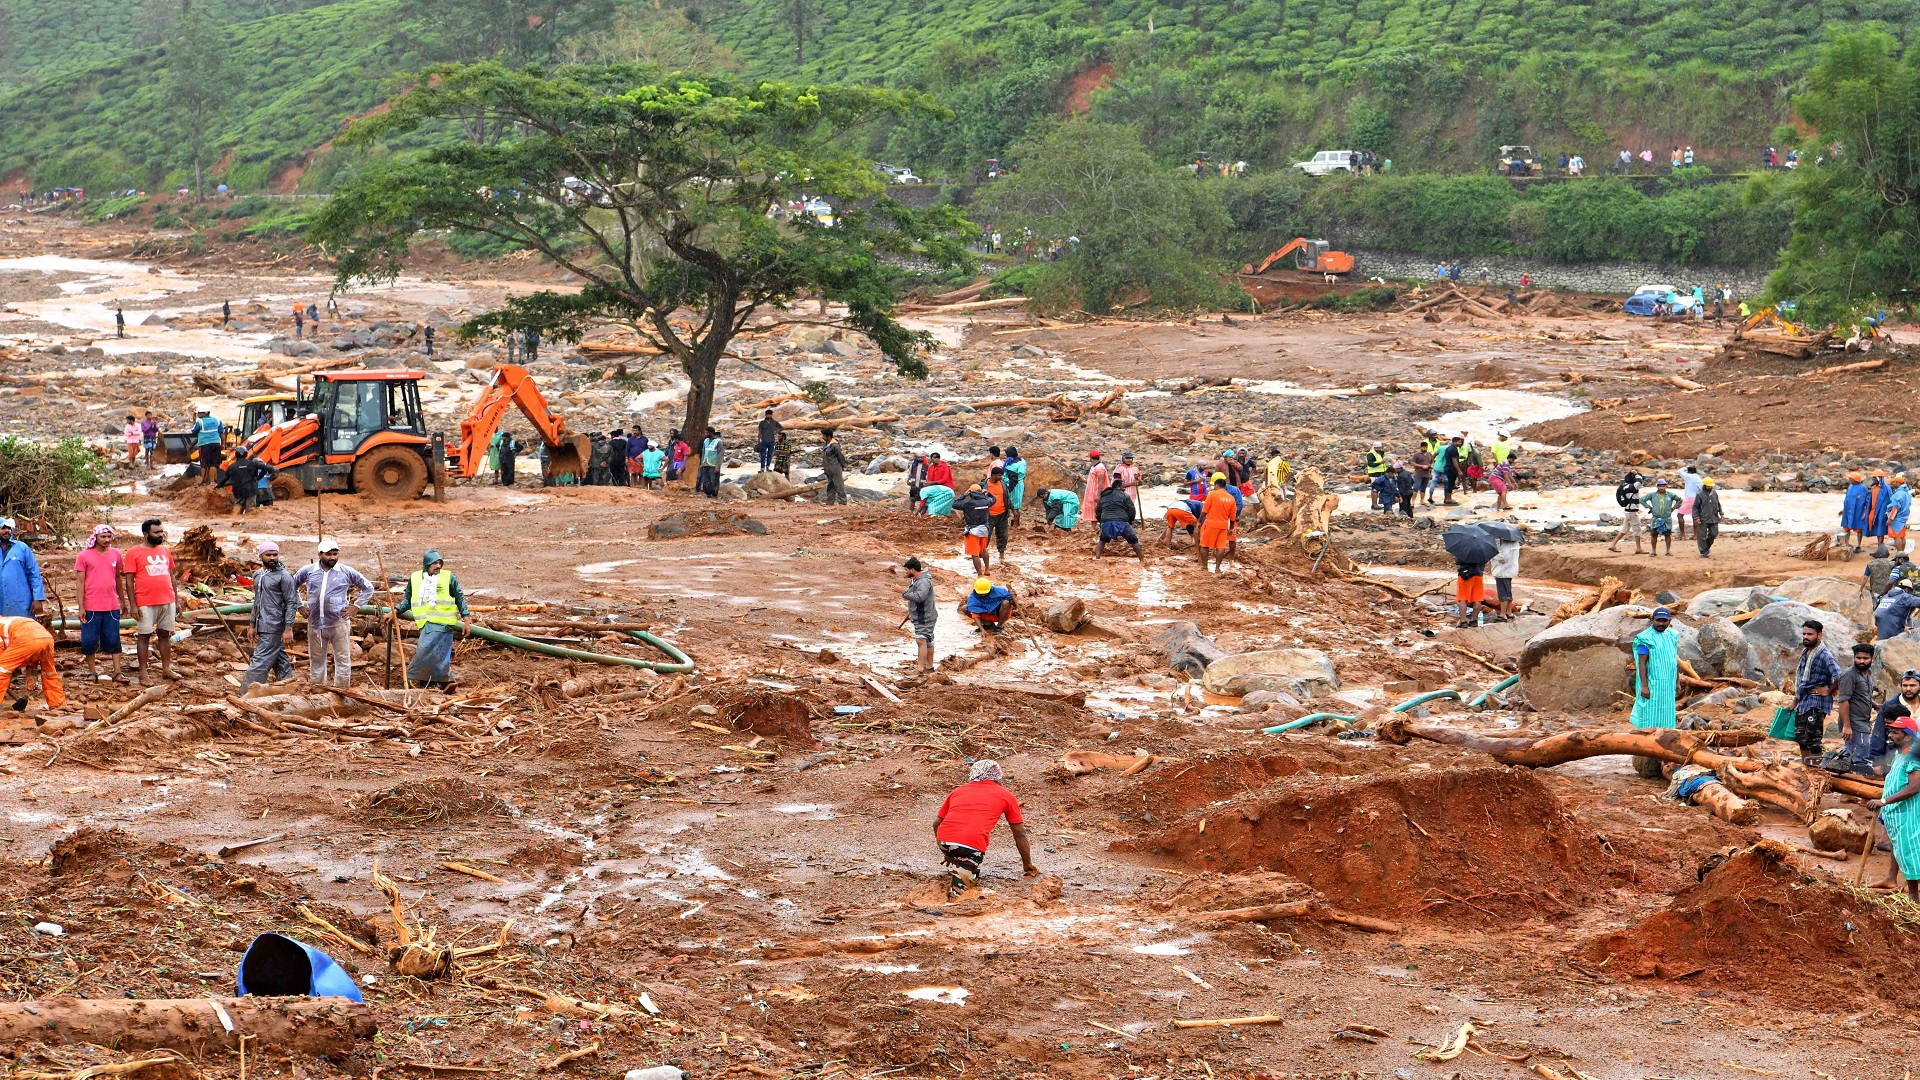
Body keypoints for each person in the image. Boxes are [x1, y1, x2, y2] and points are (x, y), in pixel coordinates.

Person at [933, 759, 1037, 899]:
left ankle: (963, 867)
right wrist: (1027, 863)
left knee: (965, 864)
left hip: (944, 841)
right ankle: (957, 889)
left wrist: (948, 852)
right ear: (998, 777)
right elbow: (1019, 833)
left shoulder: (958, 791)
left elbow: (936, 824)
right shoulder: (1006, 795)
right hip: (969, 846)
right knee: (959, 896)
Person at [293, 539, 373, 688]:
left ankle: (341, 692)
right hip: (316, 623)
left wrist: (356, 606)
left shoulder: (346, 571)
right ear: (320, 554)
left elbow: (368, 588)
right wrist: (299, 606)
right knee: (316, 660)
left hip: (338, 622)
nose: (332, 558)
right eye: (328, 554)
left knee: (342, 659)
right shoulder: (308, 571)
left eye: (335, 554)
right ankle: (318, 692)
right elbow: (292, 586)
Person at [391, 549, 471, 690]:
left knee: (426, 650)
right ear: (426, 564)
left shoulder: (448, 577)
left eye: (440, 563)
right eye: (434, 563)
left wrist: (466, 619)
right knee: (437, 655)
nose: (438, 566)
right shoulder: (415, 578)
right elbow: (408, 601)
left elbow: (460, 598)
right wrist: (395, 611)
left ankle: (411, 678)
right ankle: (438, 683)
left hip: (444, 624)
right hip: (425, 624)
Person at [1867, 717, 1920, 899]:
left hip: (1908, 813)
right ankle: (1891, 878)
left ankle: (1913, 897)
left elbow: (1914, 787)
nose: (1890, 735)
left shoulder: (1914, 756)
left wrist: (1884, 801)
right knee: (1898, 847)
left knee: (1909, 851)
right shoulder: (1902, 752)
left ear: (1907, 736)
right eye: (1890, 731)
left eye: (1895, 732)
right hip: (1897, 812)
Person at [122, 518, 177, 685]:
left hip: (167, 600)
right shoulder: (133, 553)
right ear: (146, 534)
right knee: (144, 636)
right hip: (145, 601)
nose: (160, 535)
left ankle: (166, 669)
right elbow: (129, 581)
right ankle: (143, 673)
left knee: (164, 635)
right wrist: (133, 604)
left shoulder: (165, 551)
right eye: (156, 532)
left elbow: (171, 575)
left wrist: (177, 599)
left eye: (161, 532)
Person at [242, 542, 297, 692]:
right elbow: (257, 601)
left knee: (259, 662)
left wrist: (288, 628)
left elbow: (292, 602)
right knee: (280, 660)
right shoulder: (258, 575)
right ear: (260, 556)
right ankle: (288, 688)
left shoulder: (284, 576)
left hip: (275, 625)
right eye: (268, 555)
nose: (272, 558)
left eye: (275, 555)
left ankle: (247, 695)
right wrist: (252, 625)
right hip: (262, 624)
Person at [73, 525, 123, 683]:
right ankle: (92, 672)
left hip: (111, 605)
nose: (107, 540)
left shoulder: (116, 554)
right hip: (91, 606)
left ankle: (117, 672)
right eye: (103, 537)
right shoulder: (84, 556)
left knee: (114, 640)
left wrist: (123, 600)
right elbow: (80, 583)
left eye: (109, 536)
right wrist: (81, 607)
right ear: (96, 537)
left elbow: (117, 579)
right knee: (89, 640)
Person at [1793, 620, 1841, 765]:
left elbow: (1839, 675)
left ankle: (1815, 772)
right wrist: (1795, 701)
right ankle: (1806, 767)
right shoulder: (1805, 651)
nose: (1806, 637)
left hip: (1817, 701)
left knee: (1813, 739)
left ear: (1819, 635)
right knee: (1801, 738)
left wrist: (1828, 691)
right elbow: (1800, 678)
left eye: (1810, 634)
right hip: (1804, 700)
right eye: (1804, 634)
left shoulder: (1825, 654)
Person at [1628, 607, 1680, 729]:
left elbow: (1673, 660)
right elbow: (1641, 663)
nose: (1661, 623)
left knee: (1666, 712)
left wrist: (1677, 681)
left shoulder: (1672, 636)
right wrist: (1644, 686)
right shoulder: (1645, 638)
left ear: (1669, 620)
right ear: (1652, 619)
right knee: (1649, 712)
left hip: (1668, 684)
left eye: (1664, 620)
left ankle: (1665, 739)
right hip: (1652, 683)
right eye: (1658, 620)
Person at [0, 615, 64, 712]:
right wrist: (28, 674)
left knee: (1, 670)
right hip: (47, 639)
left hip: (27, 640)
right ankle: (57, 704)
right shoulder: (10, 621)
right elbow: (33, 652)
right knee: (49, 672)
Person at [1834, 643, 1881, 771]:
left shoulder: (1868, 673)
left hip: (1864, 721)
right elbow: (1843, 701)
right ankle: (1856, 785)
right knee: (1861, 758)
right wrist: (1847, 726)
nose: (1861, 661)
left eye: (1865, 658)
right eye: (1858, 658)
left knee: (1857, 754)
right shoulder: (1849, 675)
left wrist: (1876, 706)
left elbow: (1863, 695)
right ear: (1854, 657)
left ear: (1872, 659)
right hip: (1854, 723)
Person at [1865, 671, 1920, 776]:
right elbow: (1879, 732)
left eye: (1912, 685)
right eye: (1905, 685)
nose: (1908, 689)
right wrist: (1877, 760)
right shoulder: (1890, 705)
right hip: (1893, 756)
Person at [0, 517, 45, 619]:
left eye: (8, 528)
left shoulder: (22, 548)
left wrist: (37, 598)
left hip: (21, 603)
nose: (7, 531)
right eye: (3, 528)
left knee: (23, 631)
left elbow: (34, 574)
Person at [1094, 478, 1144, 562]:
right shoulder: (1125, 496)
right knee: (1134, 540)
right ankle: (1142, 560)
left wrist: (1102, 522)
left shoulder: (1103, 496)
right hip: (1122, 522)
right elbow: (1131, 509)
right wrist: (1130, 520)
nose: (1124, 487)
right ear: (1118, 486)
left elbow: (1098, 511)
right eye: (1123, 485)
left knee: (1102, 540)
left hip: (1106, 522)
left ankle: (1097, 558)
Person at [902, 557, 936, 672]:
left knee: (921, 640)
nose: (905, 572)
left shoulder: (923, 581)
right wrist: (911, 613)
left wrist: (902, 591)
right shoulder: (917, 580)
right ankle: (929, 667)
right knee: (929, 641)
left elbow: (919, 597)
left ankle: (920, 669)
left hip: (924, 616)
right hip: (924, 615)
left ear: (912, 569)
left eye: (906, 570)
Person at [1198, 473, 1238, 573]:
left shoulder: (1212, 494)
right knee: (1221, 546)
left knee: (1205, 545)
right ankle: (1217, 568)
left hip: (1211, 523)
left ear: (1216, 485)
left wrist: (1199, 521)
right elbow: (1233, 516)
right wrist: (1231, 528)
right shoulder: (1231, 498)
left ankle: (1204, 566)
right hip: (1223, 525)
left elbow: (1205, 510)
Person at [956, 484, 995, 576]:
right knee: (984, 549)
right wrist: (989, 493)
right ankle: (987, 569)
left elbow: (955, 504)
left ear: (970, 492)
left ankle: (980, 574)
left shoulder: (969, 503)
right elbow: (994, 500)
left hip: (973, 530)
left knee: (975, 554)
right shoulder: (986, 501)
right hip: (985, 529)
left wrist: (963, 495)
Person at [1606, 472, 1644, 553]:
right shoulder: (1632, 486)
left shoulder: (1624, 486)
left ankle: (1612, 545)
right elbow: (1640, 481)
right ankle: (1638, 548)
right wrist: (1636, 474)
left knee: (1624, 529)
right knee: (1637, 529)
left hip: (1627, 510)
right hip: (1632, 511)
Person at [1640, 478, 1679, 556]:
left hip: (1666, 518)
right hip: (1656, 518)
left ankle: (1668, 551)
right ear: (1657, 486)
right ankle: (1653, 551)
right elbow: (1642, 500)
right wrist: (1649, 507)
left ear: (1666, 486)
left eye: (1663, 486)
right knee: (1654, 535)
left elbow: (1679, 500)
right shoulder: (1652, 495)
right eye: (1660, 486)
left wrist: (1674, 508)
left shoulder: (1670, 495)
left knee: (1667, 535)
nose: (1661, 488)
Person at [1490, 533, 1520, 621]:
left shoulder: (1506, 544)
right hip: (1510, 570)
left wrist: (1492, 553)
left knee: (1503, 593)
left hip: (1502, 571)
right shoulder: (1515, 543)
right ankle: (1509, 612)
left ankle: (1502, 614)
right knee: (1508, 592)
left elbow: (1503, 557)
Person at [227, 447, 265, 514]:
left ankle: (234, 518)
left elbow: (228, 478)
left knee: (237, 507)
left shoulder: (232, 466)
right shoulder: (252, 464)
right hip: (251, 489)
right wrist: (258, 478)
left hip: (238, 490)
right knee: (250, 509)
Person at [192, 407, 224, 485]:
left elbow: (193, 431)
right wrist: (222, 444)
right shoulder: (217, 420)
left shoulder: (200, 421)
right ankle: (213, 482)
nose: (198, 415)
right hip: (216, 444)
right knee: (214, 463)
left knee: (204, 463)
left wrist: (194, 420)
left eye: (198, 413)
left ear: (204, 413)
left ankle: (204, 481)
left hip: (204, 445)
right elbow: (222, 433)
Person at [985, 466, 1011, 560]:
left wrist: (1013, 509)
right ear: (993, 475)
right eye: (999, 475)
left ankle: (1001, 554)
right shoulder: (984, 485)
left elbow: (1007, 497)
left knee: (1003, 535)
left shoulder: (1002, 484)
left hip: (1002, 514)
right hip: (988, 516)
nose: (1001, 477)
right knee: (986, 535)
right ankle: (981, 554)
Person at [1842, 471, 1872, 551]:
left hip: (1858, 511)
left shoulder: (1863, 488)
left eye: (1850, 478)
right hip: (1848, 511)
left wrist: (1865, 513)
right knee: (1846, 528)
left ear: (1855, 480)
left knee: (1859, 528)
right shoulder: (1850, 486)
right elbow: (1846, 499)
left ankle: (1858, 545)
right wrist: (1843, 509)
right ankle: (1846, 543)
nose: (1849, 479)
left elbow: (1867, 501)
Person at [1694, 477, 1722, 557]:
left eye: (1711, 486)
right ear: (1705, 485)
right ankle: (1703, 551)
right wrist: (1696, 517)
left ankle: (1706, 547)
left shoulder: (1714, 493)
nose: (1710, 487)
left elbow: (1718, 504)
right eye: (1708, 486)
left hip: (1714, 517)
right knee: (1701, 535)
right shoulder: (1700, 494)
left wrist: (1721, 513)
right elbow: (1695, 507)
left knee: (1714, 534)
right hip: (1703, 518)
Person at [1454, 559, 1486, 627]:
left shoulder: (1464, 549)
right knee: (1477, 598)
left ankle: (1463, 621)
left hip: (1465, 575)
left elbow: (1458, 561)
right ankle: (1474, 620)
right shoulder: (1482, 550)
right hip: (1478, 575)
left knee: (1462, 598)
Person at [1865, 545, 1897, 610]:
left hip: (1875, 590)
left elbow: (1865, 578)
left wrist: (1860, 589)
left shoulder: (1870, 564)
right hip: (1889, 590)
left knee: (1874, 608)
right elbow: (1896, 577)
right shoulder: (1892, 564)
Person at [820, 430, 847, 505]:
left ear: (828, 436)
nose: (822, 437)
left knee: (839, 485)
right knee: (830, 486)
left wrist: (842, 465)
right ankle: (830, 502)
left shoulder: (835, 445)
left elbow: (840, 456)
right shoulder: (826, 444)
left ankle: (843, 502)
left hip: (835, 468)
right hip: (828, 469)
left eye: (823, 436)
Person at [1003, 447, 1028, 527]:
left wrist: (1008, 490)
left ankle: (1016, 524)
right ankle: (1016, 523)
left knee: (1014, 506)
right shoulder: (1021, 461)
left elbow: (1013, 480)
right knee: (1016, 505)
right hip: (1020, 484)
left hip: (1014, 486)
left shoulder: (1013, 466)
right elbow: (1023, 475)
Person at [1113, 451, 1142, 521]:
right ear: (1123, 459)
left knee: (1131, 508)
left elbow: (1140, 483)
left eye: (1131, 458)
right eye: (1127, 458)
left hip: (1133, 492)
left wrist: (1138, 479)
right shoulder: (1118, 470)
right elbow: (1117, 484)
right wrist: (1132, 483)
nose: (1129, 460)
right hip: (1122, 493)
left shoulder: (1135, 469)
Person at [1677, 466, 1703, 541]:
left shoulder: (1688, 476)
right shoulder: (1698, 478)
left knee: (1680, 515)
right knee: (1695, 516)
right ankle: (1695, 535)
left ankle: (1682, 534)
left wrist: (1685, 467)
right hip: (1697, 498)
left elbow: (1679, 471)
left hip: (1689, 498)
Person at [697, 426, 722, 497]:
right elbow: (704, 453)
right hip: (706, 464)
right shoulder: (706, 441)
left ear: (711, 433)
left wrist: (718, 466)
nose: (705, 434)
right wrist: (702, 463)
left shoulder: (718, 442)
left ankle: (714, 494)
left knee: (714, 480)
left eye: (707, 432)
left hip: (713, 464)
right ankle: (708, 493)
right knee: (706, 480)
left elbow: (720, 454)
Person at [1362, 441, 1388, 508]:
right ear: (1374, 447)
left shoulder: (1379, 453)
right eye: (1377, 448)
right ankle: (1374, 504)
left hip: (1381, 473)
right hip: (1374, 474)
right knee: (1375, 489)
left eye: (1380, 447)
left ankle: (1380, 503)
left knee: (1382, 488)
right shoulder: (1371, 454)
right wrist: (1380, 463)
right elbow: (1370, 464)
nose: (1379, 449)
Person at [1891, 475, 1913, 555]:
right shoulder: (1907, 493)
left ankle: (1899, 554)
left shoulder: (1899, 494)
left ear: (1898, 483)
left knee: (1896, 536)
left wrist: (1890, 518)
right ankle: (1902, 554)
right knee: (1902, 536)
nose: (1893, 484)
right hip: (1904, 516)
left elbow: (1895, 507)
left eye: (1894, 482)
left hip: (1897, 517)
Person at [1083, 451, 1109, 515]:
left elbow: (1101, 482)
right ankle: (1093, 525)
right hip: (1092, 492)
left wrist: (1098, 495)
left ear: (1091, 458)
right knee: (1092, 510)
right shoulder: (1094, 467)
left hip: (1095, 492)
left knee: (1096, 510)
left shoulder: (1099, 468)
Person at [1410, 442, 1434, 506]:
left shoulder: (1429, 454)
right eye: (1423, 447)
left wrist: (1431, 466)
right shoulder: (1417, 455)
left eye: (1426, 447)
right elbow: (1412, 463)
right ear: (1420, 447)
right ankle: (1413, 501)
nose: (1424, 448)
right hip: (1418, 474)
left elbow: (1432, 462)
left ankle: (1422, 500)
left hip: (1427, 474)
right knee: (1416, 487)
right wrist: (1422, 466)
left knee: (1423, 488)